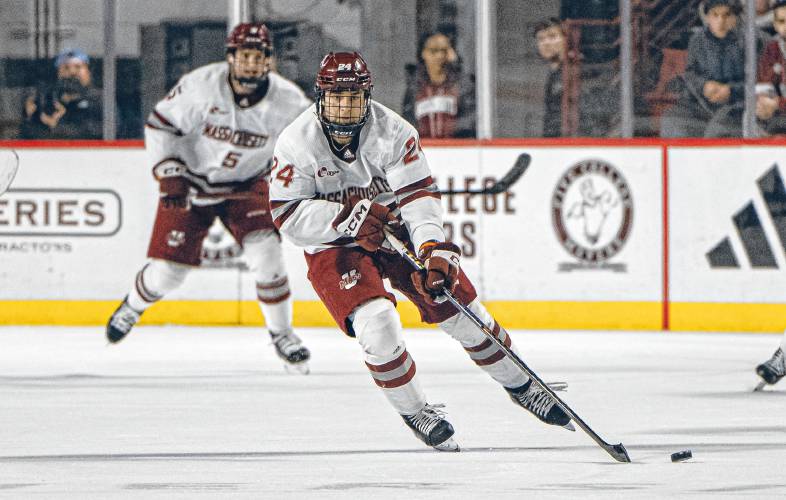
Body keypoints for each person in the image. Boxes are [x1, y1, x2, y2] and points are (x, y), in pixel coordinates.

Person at [269, 51, 573, 451]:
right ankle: (415, 410)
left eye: (354, 96)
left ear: (368, 95)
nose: (345, 107)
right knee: (377, 326)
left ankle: (522, 385)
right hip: (333, 243)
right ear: (320, 96)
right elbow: (287, 214)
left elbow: (417, 198)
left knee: (460, 308)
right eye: (336, 96)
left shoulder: (394, 132)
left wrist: (432, 248)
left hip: (396, 229)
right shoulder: (296, 143)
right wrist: (346, 218)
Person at [106, 23, 312, 372]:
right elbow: (160, 126)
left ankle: (282, 334)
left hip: (247, 185)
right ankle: (133, 305)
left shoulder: (289, 101)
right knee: (168, 273)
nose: (251, 63)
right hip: (191, 181)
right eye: (244, 55)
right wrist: (169, 172)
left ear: (268, 61)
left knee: (267, 255)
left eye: (258, 56)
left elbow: (312, 145)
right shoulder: (201, 87)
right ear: (230, 57)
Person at [660, 0, 746, 138]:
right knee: (672, 119)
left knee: (719, 127)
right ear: (707, 17)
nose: (721, 21)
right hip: (700, 103)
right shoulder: (696, 40)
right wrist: (704, 86)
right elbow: (690, 73)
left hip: (736, 105)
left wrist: (731, 90)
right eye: (715, 15)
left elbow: (756, 80)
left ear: (734, 17)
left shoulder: (748, 41)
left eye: (726, 15)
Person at [402, 30, 475, 138]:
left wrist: (450, 127)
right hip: (424, 148)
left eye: (444, 51)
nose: (439, 56)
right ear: (423, 53)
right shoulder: (414, 86)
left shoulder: (462, 84)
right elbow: (407, 122)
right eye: (434, 51)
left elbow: (472, 119)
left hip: (457, 149)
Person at [20, 48, 102, 139]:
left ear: (89, 72)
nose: (72, 72)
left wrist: (59, 128)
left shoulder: (101, 99)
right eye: (66, 67)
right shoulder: (46, 99)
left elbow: (105, 129)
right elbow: (28, 133)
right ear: (58, 73)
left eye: (78, 67)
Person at [756, 0, 786, 134]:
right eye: (781, 21)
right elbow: (763, 81)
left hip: (780, 107)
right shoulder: (772, 48)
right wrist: (765, 101)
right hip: (779, 110)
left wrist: (777, 104)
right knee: (751, 116)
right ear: (774, 25)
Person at [534, 18, 566, 137]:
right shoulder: (552, 73)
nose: (546, 43)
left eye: (552, 36)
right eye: (541, 39)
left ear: (566, 40)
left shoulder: (575, 72)